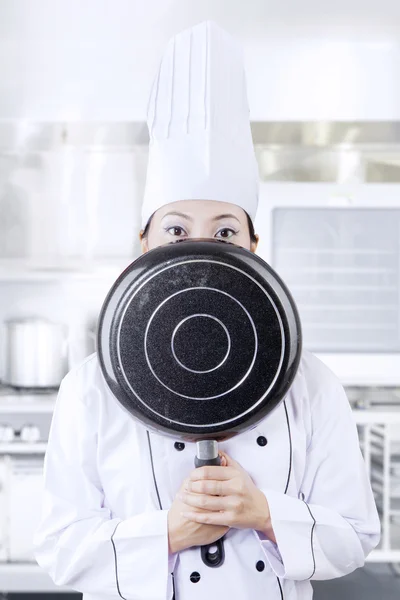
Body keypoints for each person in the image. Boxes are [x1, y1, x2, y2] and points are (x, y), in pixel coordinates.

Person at [34, 21, 380, 600]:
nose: (199, 249)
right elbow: (61, 550)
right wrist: (169, 533)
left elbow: (355, 537)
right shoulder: (91, 389)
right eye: (176, 230)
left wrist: (266, 513)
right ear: (145, 246)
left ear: (252, 249)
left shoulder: (311, 386)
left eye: (224, 231)